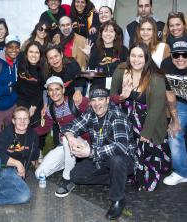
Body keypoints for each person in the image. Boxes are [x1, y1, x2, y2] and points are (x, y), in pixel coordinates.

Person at [62, 87, 136, 220]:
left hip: (124, 159)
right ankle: (117, 179)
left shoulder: (117, 115)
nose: (97, 104)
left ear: (108, 100)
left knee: (116, 160)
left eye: (101, 99)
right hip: (100, 158)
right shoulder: (91, 113)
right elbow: (68, 127)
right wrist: (70, 137)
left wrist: (90, 152)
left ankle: (118, 200)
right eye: (94, 100)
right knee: (75, 176)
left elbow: (121, 147)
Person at [110, 42, 170, 191]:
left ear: (146, 58)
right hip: (127, 121)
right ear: (128, 57)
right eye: (133, 56)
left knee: (146, 175)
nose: (136, 60)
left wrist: (146, 133)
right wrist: (123, 96)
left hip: (149, 124)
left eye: (140, 56)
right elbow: (112, 97)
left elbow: (156, 109)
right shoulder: (121, 70)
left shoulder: (156, 78)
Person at [34, 76, 89, 197]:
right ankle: (69, 161)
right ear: (48, 93)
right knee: (39, 174)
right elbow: (43, 129)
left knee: (65, 137)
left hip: (85, 142)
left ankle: (67, 178)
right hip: (66, 145)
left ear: (63, 90)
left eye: (57, 89)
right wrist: (22, 130)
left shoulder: (76, 101)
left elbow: (98, 103)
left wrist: (121, 97)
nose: (54, 93)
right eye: (51, 90)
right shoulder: (50, 110)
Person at [161, 40, 187, 185]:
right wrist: (174, 120)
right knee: (174, 133)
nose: (181, 58)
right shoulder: (166, 65)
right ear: (171, 56)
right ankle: (181, 172)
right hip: (181, 103)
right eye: (177, 55)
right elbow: (169, 93)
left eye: (185, 55)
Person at [88, 20, 128, 89]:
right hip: (98, 89)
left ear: (115, 35)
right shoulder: (95, 50)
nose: (108, 34)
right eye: (105, 31)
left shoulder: (123, 50)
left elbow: (128, 71)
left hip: (119, 89)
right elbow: (91, 71)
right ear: (101, 34)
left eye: (111, 31)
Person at [15, 41, 45, 127]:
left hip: (36, 102)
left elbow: (41, 90)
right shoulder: (19, 63)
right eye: (31, 52)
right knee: (21, 127)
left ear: (40, 55)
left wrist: (33, 106)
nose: (33, 55)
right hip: (20, 102)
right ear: (26, 53)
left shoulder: (44, 69)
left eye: (37, 52)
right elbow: (7, 51)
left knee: (35, 128)